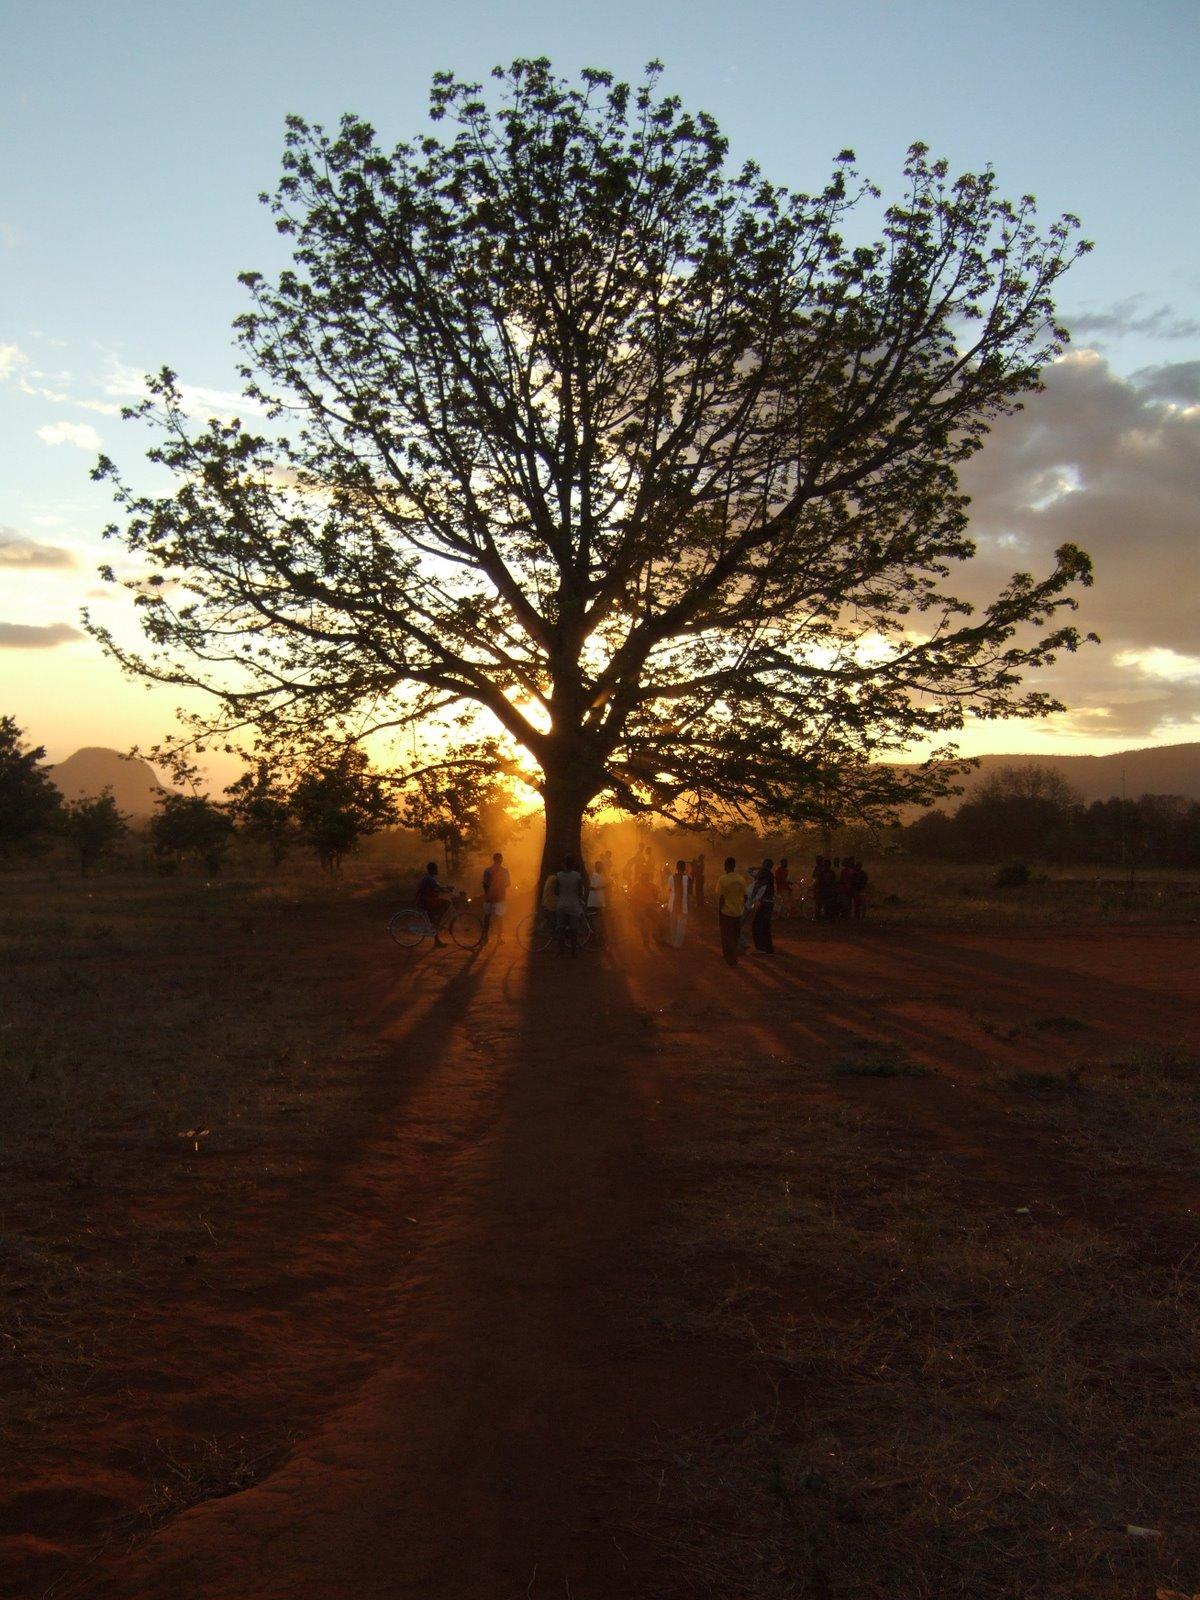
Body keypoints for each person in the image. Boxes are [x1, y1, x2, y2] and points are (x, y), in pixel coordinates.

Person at [715, 855, 748, 968]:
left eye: (725, 865)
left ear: (727, 866)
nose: (724, 867)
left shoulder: (723, 879)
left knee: (725, 935)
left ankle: (728, 957)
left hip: (726, 912)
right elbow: (745, 896)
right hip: (738, 912)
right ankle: (733, 956)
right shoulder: (741, 879)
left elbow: (721, 898)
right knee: (735, 935)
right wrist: (741, 906)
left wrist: (719, 910)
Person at [554, 854, 586, 955]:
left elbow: (556, 891)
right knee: (574, 929)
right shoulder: (577, 876)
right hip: (574, 905)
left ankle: (561, 951)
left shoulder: (558, 875)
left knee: (561, 929)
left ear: (564, 864)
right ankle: (574, 951)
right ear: (573, 865)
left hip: (561, 905)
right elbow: (581, 892)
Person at [415, 860, 450, 947]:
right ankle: (438, 919)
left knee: (434, 921)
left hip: (426, 900)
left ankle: (437, 941)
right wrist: (446, 889)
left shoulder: (429, 878)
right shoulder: (429, 879)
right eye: (436, 869)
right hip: (426, 901)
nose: (437, 870)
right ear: (432, 870)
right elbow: (438, 888)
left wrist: (445, 888)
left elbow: (437, 888)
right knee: (447, 903)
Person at [480, 850, 511, 943]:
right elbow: (508, 884)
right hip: (500, 897)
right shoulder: (505, 871)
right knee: (499, 918)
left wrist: (487, 894)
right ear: (501, 860)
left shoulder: (487, 870)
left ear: (493, 860)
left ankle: (485, 937)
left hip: (489, 897)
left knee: (487, 918)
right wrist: (501, 887)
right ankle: (499, 938)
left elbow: (485, 884)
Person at [751, 858, 776, 953]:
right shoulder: (769, 874)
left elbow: (758, 883)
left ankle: (761, 948)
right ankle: (768, 948)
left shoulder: (766, 874)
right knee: (765, 925)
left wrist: (753, 895)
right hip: (768, 902)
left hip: (765, 902)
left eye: (763, 864)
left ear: (765, 865)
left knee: (757, 924)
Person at [667, 858, 691, 948]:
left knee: (673, 924)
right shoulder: (688, 879)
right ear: (684, 868)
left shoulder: (671, 878)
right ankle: (677, 944)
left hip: (673, 905)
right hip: (684, 905)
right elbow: (689, 892)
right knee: (681, 926)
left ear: (676, 867)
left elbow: (669, 891)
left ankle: (673, 941)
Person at [588, 858, 607, 944]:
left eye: (601, 866)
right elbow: (593, 887)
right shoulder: (595, 875)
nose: (601, 868)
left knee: (600, 919)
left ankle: (599, 936)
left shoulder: (601, 875)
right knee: (595, 920)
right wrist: (605, 887)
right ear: (596, 867)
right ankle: (595, 937)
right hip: (594, 902)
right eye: (599, 866)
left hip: (600, 901)